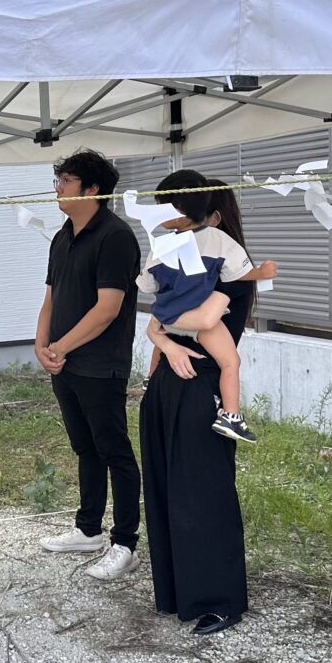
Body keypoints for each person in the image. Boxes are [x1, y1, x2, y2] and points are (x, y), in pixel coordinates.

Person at [140, 171, 255, 635]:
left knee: (203, 496)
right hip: (167, 383)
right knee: (167, 491)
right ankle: (177, 590)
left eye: (179, 216)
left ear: (212, 218)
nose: (171, 226)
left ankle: (218, 598)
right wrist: (160, 351)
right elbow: (159, 323)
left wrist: (162, 335)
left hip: (202, 384)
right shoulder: (174, 259)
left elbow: (199, 320)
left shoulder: (231, 270)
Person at [34, 148, 143, 582]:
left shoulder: (115, 236)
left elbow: (107, 309)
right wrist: (42, 344)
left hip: (100, 364)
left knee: (115, 451)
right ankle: (88, 529)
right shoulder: (63, 235)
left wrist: (60, 346)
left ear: (93, 188)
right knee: (86, 449)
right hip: (66, 365)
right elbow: (50, 298)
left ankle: (125, 543)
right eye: (57, 180)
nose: (58, 188)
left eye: (65, 180)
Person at [136, 170, 276, 443]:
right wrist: (263, 272)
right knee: (231, 361)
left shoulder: (163, 246)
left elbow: (148, 288)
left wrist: (162, 328)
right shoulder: (220, 249)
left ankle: (230, 415)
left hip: (172, 364)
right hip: (192, 384)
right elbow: (206, 320)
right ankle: (232, 416)